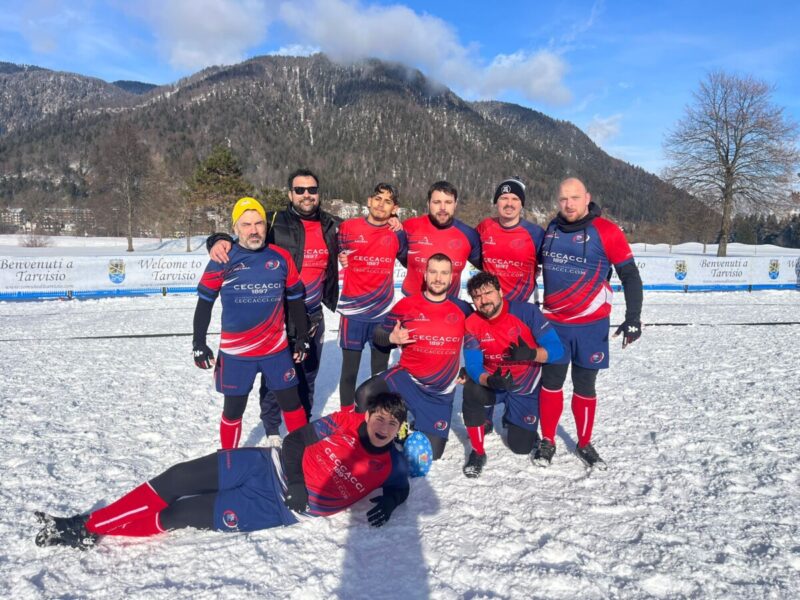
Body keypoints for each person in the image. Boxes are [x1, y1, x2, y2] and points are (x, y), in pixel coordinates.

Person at [34, 393, 410, 550]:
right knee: (178, 478)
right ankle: (85, 528)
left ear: (399, 430)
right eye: (379, 417)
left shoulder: (390, 462)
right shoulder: (345, 420)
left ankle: (90, 529)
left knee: (178, 513)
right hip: (266, 464)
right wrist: (296, 481)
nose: (383, 426)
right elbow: (295, 441)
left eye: (392, 423)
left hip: (274, 508)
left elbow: (400, 487)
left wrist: (392, 501)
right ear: (367, 415)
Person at [207, 169, 341, 438]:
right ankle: (272, 431)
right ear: (290, 194)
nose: (306, 195)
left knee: (308, 376)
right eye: (300, 190)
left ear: (318, 193)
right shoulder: (275, 221)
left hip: (312, 314)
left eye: (312, 190)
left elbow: (368, 229)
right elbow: (246, 229)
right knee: (274, 380)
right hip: (281, 314)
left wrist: (395, 221)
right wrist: (217, 239)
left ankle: (301, 432)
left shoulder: (332, 225)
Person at [536, 177, 643, 468]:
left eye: (574, 198)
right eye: (562, 199)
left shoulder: (606, 231)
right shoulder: (552, 229)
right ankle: (548, 440)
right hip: (554, 325)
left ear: (587, 198)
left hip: (591, 327)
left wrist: (633, 318)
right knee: (551, 383)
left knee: (585, 386)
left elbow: (630, 275)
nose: (568, 204)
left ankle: (584, 443)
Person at [193, 197, 310, 448]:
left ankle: (305, 458)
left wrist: (302, 338)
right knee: (233, 410)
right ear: (235, 228)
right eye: (246, 225)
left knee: (292, 404)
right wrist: (198, 343)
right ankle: (229, 460)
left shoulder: (280, 257)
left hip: (275, 351)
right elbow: (205, 303)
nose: (253, 230)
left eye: (259, 223)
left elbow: (296, 299)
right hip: (236, 354)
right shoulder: (223, 258)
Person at [353, 253, 472, 461]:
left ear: (452, 277)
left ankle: (405, 422)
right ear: (425, 274)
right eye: (433, 271)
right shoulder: (407, 305)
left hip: (439, 392)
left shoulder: (462, 309)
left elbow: (480, 340)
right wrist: (391, 336)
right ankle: (358, 443)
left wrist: (470, 368)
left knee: (432, 454)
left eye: (444, 273)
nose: (438, 278)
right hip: (406, 379)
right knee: (365, 393)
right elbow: (378, 335)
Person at [460, 272, 563, 478]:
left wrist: (532, 353)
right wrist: (489, 380)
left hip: (524, 385)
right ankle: (478, 452)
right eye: (477, 297)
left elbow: (557, 350)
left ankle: (513, 417)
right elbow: (472, 365)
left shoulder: (527, 312)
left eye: (488, 293)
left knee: (521, 447)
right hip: (494, 381)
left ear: (500, 292)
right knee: (471, 389)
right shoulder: (472, 323)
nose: (483, 300)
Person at [336, 183, 408, 408]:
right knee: (349, 373)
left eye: (387, 201)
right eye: (378, 198)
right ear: (368, 201)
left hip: (382, 315)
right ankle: (347, 419)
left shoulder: (397, 233)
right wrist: (340, 255)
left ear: (394, 208)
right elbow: (333, 251)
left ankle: (378, 417)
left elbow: (411, 261)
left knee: (380, 373)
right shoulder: (348, 228)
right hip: (352, 314)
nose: (381, 204)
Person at [400, 181, 481, 299]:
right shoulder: (408, 227)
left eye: (448, 202)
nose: (442, 208)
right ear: (428, 203)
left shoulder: (469, 235)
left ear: (455, 204)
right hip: (410, 303)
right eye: (437, 202)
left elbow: (490, 267)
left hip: (449, 307)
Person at [476, 177, 545, 303]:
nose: (509, 203)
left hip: (523, 304)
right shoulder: (485, 226)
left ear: (521, 204)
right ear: (497, 202)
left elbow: (549, 262)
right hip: (490, 304)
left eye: (515, 199)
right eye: (504, 198)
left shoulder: (536, 233)